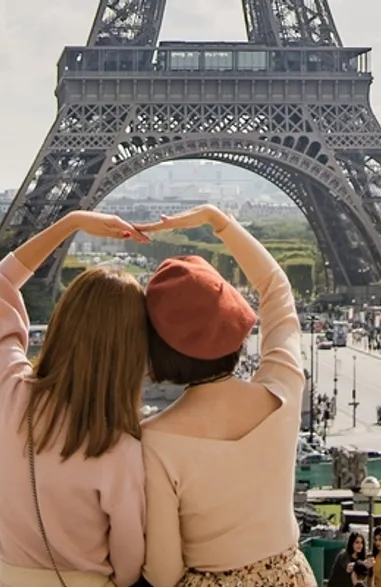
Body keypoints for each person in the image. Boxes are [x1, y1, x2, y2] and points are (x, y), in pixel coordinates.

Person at [137, 205, 316, 587]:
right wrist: (219, 221)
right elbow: (276, 287)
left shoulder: (155, 441)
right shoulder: (282, 393)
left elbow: (164, 573)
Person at [0, 211, 151, 587]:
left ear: (62, 321)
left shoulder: (11, 392)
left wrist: (70, 222)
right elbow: (128, 567)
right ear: (134, 352)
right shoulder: (120, 449)